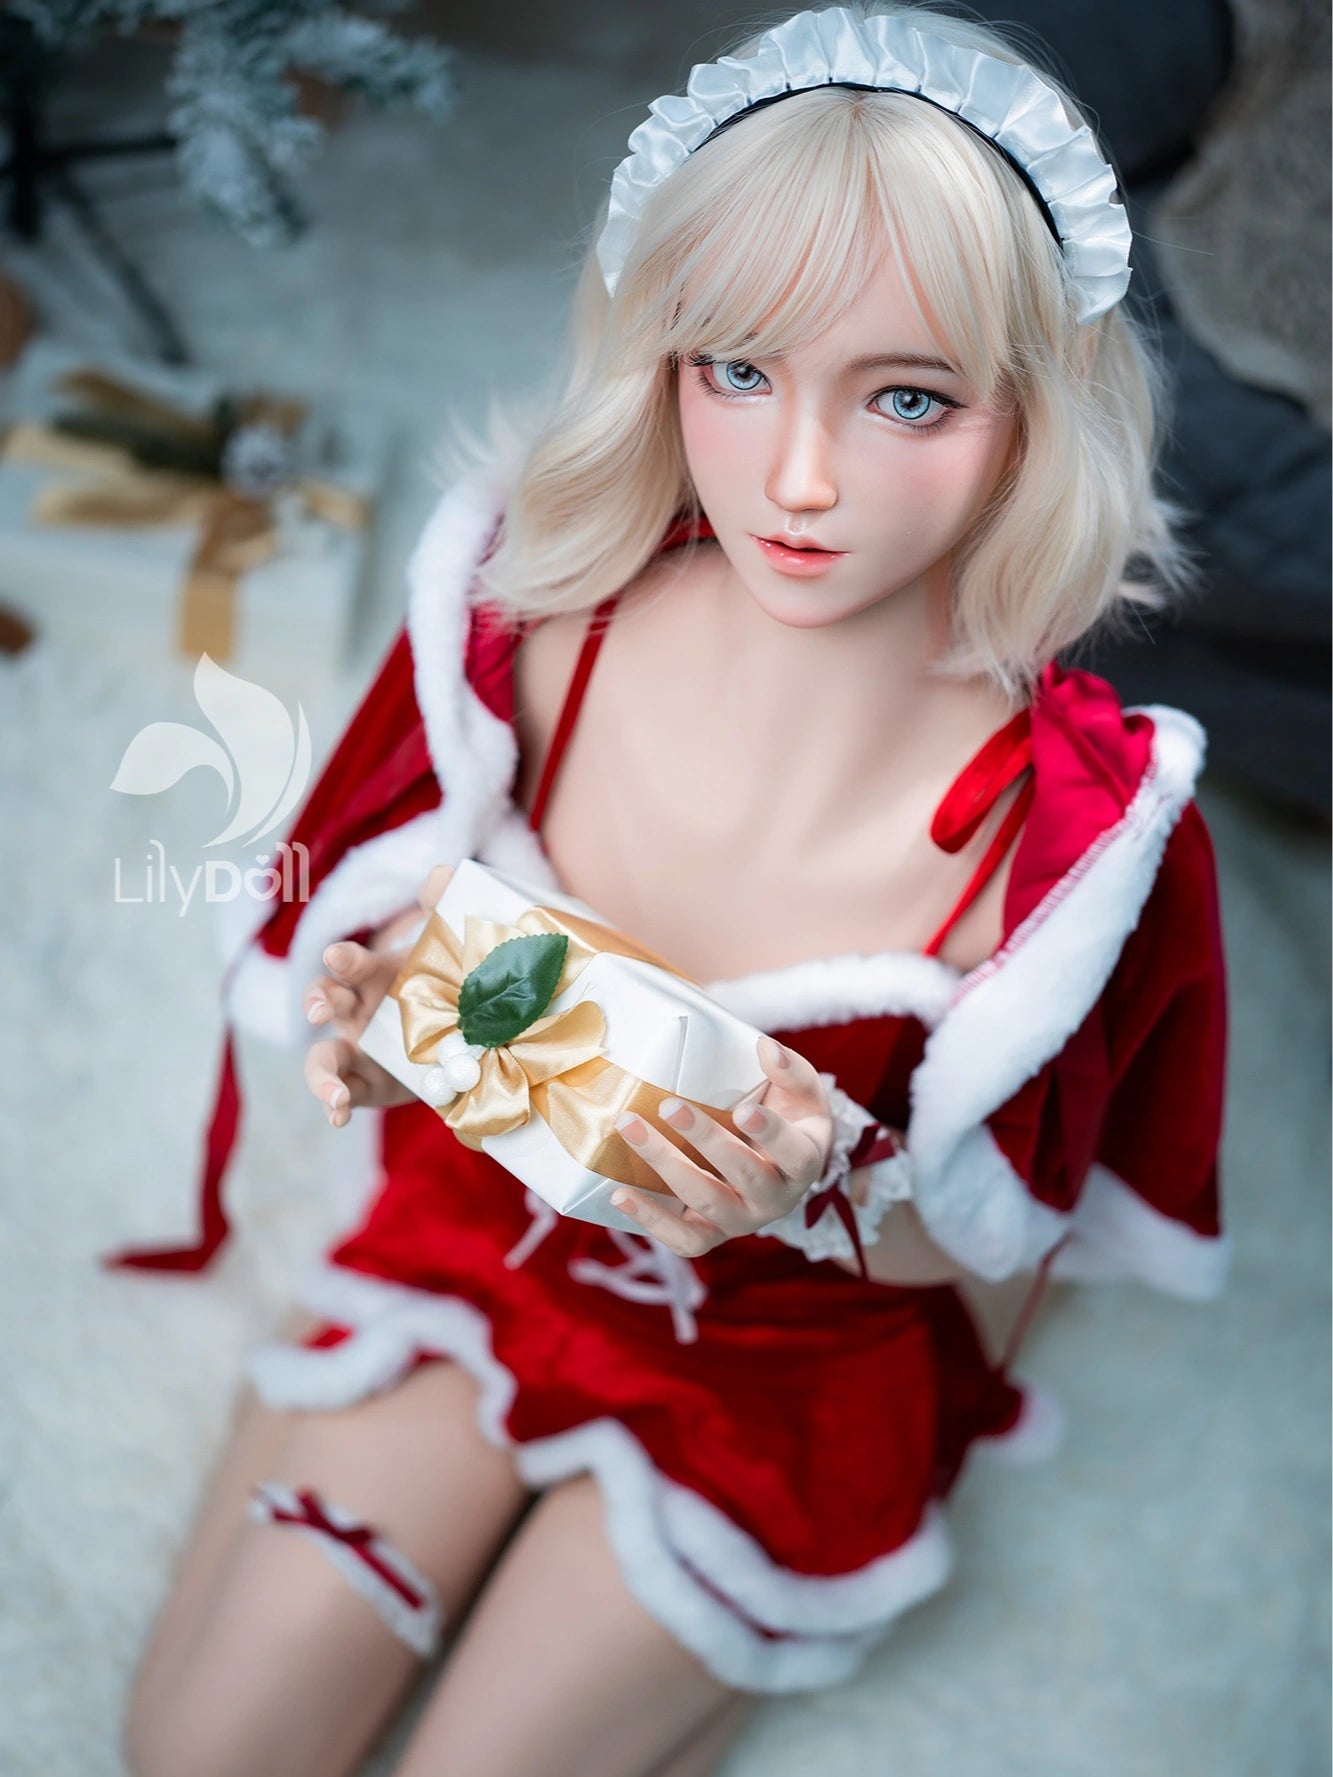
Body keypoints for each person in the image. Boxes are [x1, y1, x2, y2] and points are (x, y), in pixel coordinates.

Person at [121, 5, 1229, 1774]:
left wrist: (826, 1192)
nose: (799, 478)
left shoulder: (1077, 844)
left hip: (790, 1368)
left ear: (1035, 417)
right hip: (477, 1241)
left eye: (908, 396)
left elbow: (1020, 1241)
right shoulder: (524, 620)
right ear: (657, 356)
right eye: (736, 368)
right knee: (208, 1749)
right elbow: (357, 910)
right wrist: (390, 1003)